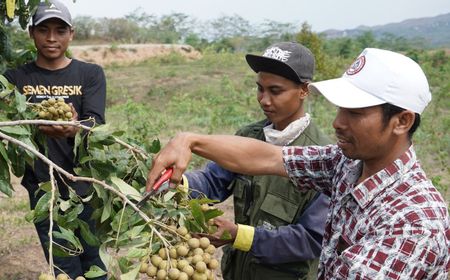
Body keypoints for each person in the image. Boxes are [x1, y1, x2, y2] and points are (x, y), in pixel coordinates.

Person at [147, 48, 450, 279]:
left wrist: (237, 235)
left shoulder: (414, 224)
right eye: (340, 109)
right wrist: (189, 141)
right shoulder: (345, 164)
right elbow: (269, 156)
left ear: (402, 121)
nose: (337, 123)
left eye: (355, 114)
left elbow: (308, 240)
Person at [178, 42, 331, 279]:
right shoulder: (248, 137)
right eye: (260, 89)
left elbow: (310, 239)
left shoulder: (323, 159)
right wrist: (178, 183)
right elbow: (214, 181)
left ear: (304, 90)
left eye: (275, 91)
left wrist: (239, 236)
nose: (264, 100)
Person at [3, 0, 107, 278]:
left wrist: (75, 128)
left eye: (60, 31)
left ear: (71, 33)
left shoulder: (90, 74)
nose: (51, 38)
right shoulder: (14, 78)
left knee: (94, 263)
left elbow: (96, 122)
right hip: (42, 188)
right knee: (63, 265)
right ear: (31, 33)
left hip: (83, 184)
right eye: (44, 30)